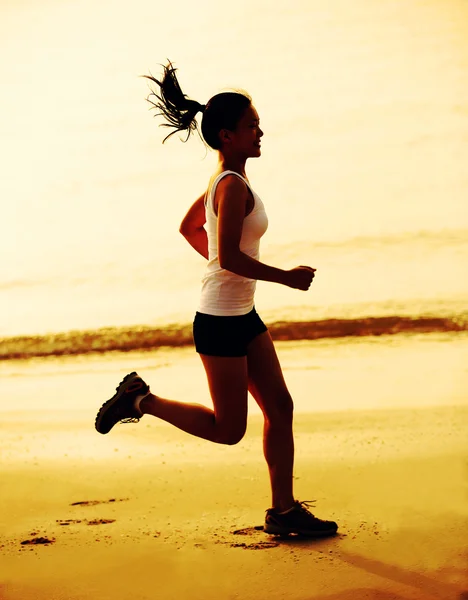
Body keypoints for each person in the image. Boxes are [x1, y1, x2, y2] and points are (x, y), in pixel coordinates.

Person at [95, 61, 338, 537]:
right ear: (227, 135)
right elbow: (226, 255)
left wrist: (220, 267)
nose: (260, 131)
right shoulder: (229, 185)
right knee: (230, 430)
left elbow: (191, 229)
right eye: (251, 126)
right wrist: (283, 277)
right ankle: (139, 399)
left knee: (281, 408)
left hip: (242, 315)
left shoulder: (226, 181)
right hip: (220, 322)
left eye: (258, 124)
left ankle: (283, 511)